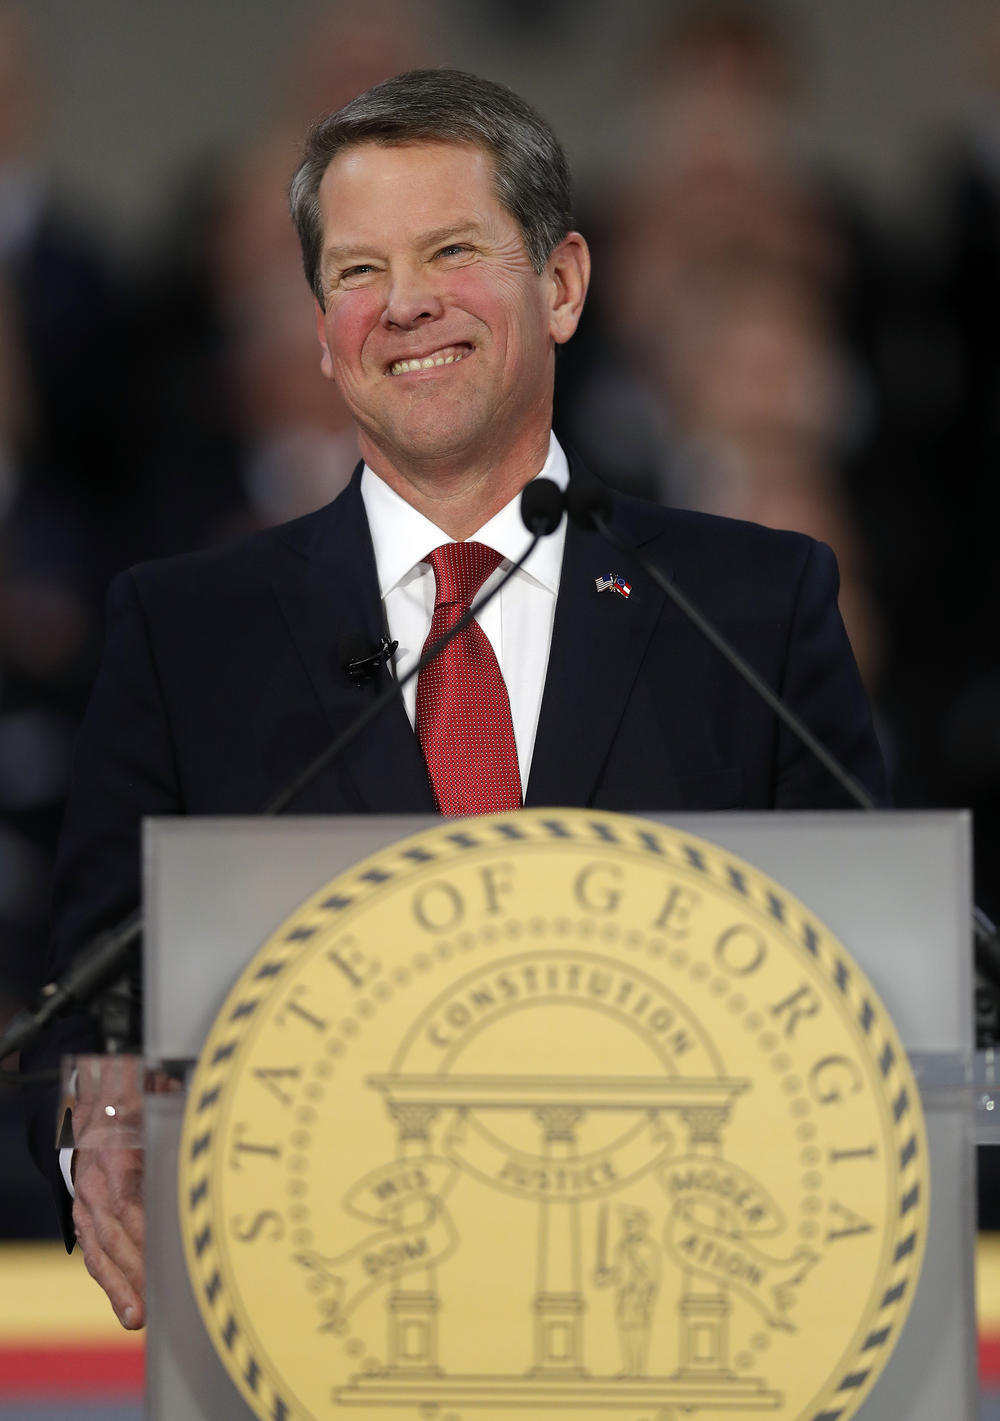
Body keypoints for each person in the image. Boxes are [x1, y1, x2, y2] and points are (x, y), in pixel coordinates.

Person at [22, 69, 885, 1331]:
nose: (404, 303)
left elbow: (863, 973)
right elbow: (102, 986)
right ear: (319, 332)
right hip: (310, 1330)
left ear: (565, 283)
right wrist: (96, 1116)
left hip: (686, 1330)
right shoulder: (185, 630)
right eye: (357, 273)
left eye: (452, 250)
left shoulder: (750, 605)